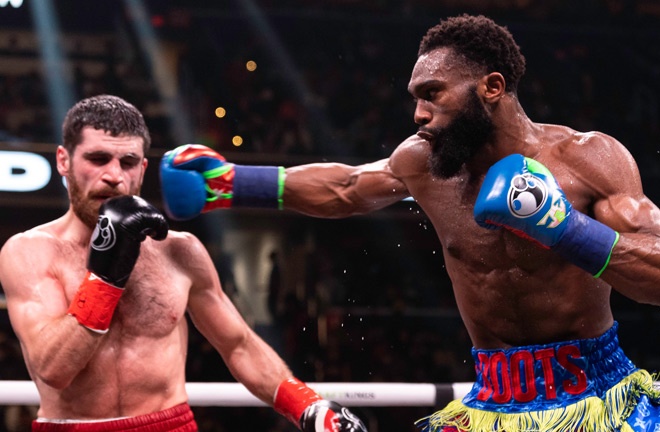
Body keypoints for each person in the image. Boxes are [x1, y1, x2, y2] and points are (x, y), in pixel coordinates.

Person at [159, 13, 660, 432]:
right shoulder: (425, 161)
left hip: (598, 394)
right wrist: (231, 183)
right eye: (415, 97)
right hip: (492, 400)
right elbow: (347, 188)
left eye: (433, 94)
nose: (419, 114)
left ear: (491, 87)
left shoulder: (589, 159)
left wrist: (567, 230)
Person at [0, 94, 367, 432]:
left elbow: (238, 344)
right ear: (64, 160)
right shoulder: (29, 252)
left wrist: (307, 407)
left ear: (142, 169)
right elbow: (54, 370)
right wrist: (106, 276)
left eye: (127, 162)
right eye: (97, 159)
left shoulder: (179, 250)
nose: (113, 176)